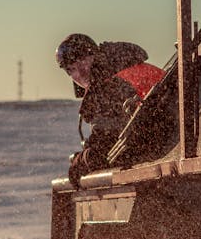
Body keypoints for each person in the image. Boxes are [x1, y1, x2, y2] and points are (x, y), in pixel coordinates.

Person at [55, 33, 165, 187]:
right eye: (72, 69)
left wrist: (81, 163)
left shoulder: (109, 85)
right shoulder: (127, 67)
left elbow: (106, 147)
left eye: (82, 62)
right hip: (166, 146)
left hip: (158, 154)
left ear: (94, 55)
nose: (80, 73)